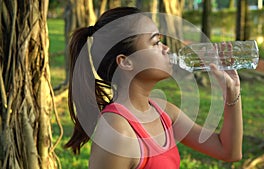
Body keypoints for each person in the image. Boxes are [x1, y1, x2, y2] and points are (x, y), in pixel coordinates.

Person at [65, 7, 243, 169]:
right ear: (126, 62)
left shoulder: (164, 112)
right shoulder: (117, 131)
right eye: (156, 42)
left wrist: (232, 93)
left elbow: (228, 152)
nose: (165, 48)